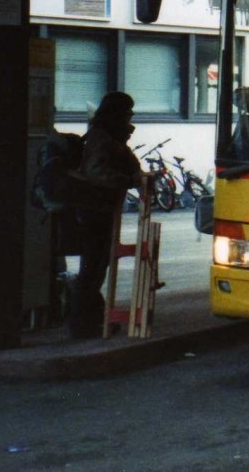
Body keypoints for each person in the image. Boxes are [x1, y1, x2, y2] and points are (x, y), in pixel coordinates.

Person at [67, 91, 144, 339]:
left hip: (98, 209)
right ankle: (84, 324)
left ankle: (91, 319)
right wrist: (129, 180)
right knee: (93, 267)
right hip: (94, 210)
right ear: (116, 113)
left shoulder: (107, 135)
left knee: (96, 267)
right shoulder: (102, 138)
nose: (131, 115)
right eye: (127, 111)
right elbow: (97, 173)